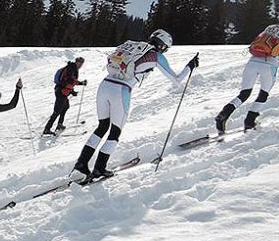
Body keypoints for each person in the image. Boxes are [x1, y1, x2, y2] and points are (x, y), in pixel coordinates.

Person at [73, 29, 198, 178]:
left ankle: (82, 162)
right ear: (163, 46)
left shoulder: (131, 46)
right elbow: (176, 80)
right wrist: (190, 66)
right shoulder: (155, 55)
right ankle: (99, 168)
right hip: (121, 90)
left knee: (102, 127)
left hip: (105, 85)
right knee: (115, 132)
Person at [215, 24, 279, 132]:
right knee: (263, 94)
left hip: (252, 62)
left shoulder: (270, 28)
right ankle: (249, 121)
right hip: (269, 65)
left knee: (244, 94)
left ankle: (224, 114)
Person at [43, 57, 87, 135]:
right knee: (57, 111)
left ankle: (60, 124)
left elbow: (68, 83)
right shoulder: (71, 68)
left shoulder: (72, 68)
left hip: (63, 91)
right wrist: (81, 83)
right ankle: (47, 129)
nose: (80, 65)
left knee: (65, 106)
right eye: (79, 63)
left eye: (81, 63)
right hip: (61, 92)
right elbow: (70, 80)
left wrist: (72, 91)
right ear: (76, 62)